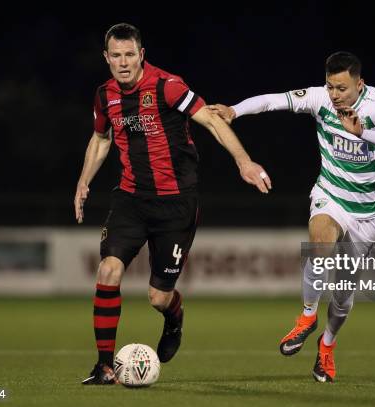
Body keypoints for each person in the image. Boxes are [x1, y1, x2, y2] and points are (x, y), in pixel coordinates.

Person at [75, 23, 272, 385]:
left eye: (129, 54)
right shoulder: (104, 96)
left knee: (157, 297)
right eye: (115, 56)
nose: (123, 62)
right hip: (130, 199)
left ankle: (174, 317)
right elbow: (101, 138)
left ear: (141, 54)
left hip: (176, 203)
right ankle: (104, 366)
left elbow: (211, 120)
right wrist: (83, 181)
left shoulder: (167, 86)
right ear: (106, 58)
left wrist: (244, 162)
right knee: (108, 270)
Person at [209, 51, 375, 382]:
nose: (335, 94)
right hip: (331, 193)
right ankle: (307, 316)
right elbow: (273, 100)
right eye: (330, 86)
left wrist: (361, 132)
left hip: (370, 210)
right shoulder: (319, 99)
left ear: (360, 84)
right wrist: (234, 111)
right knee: (319, 240)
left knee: (342, 295)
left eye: (342, 88)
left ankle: (326, 346)